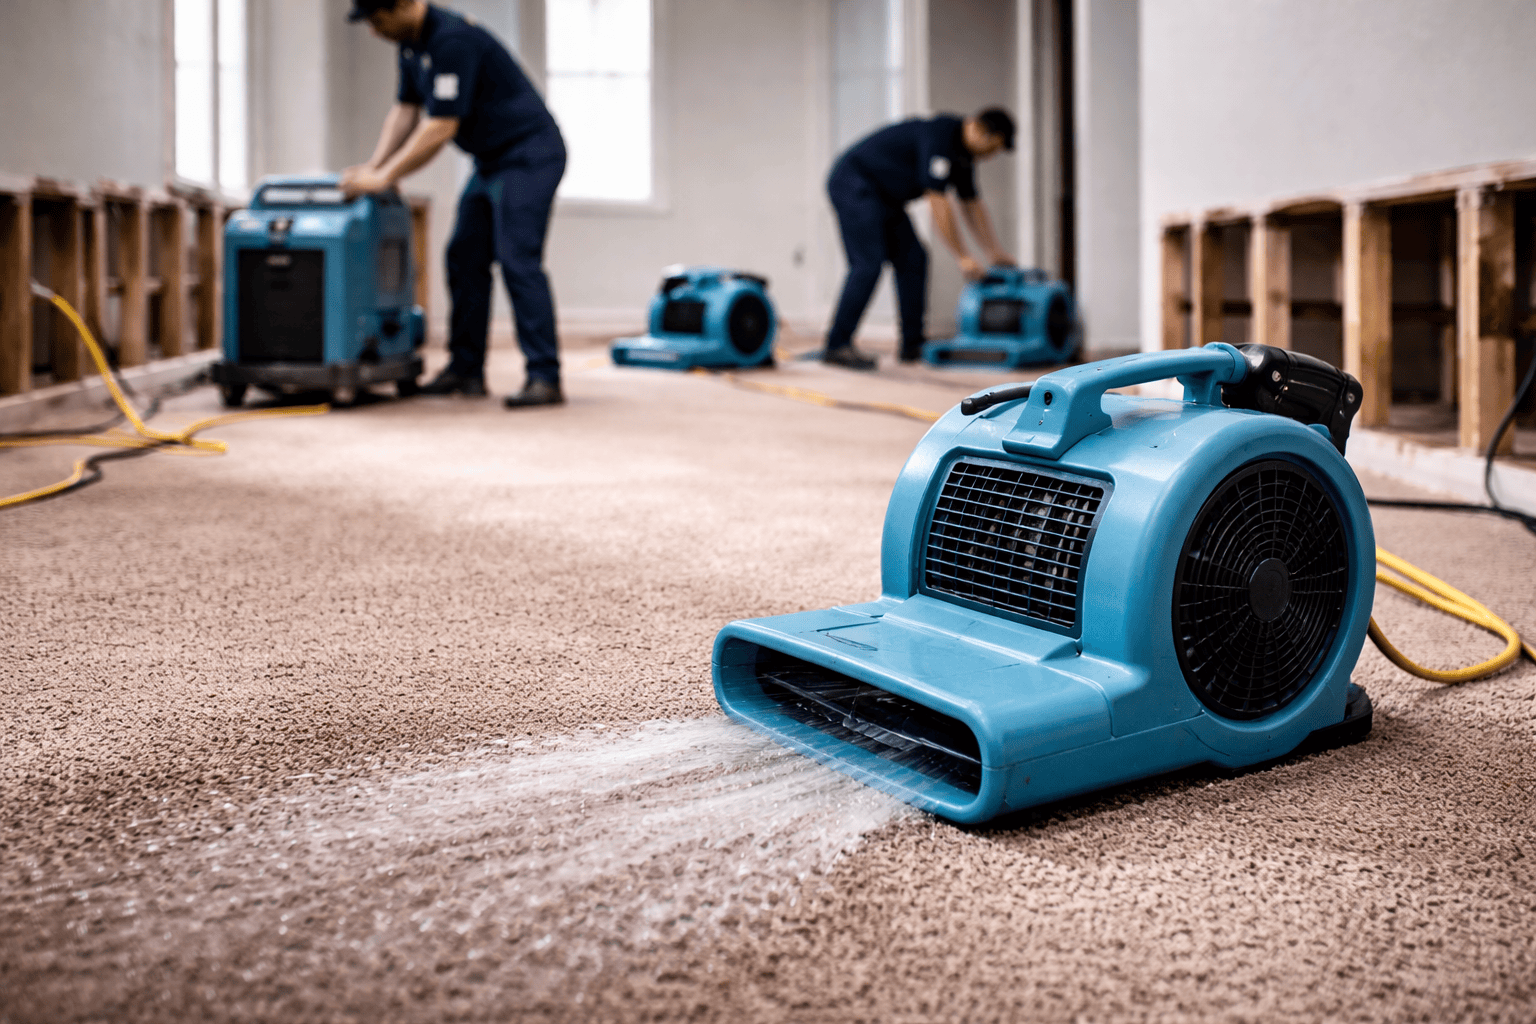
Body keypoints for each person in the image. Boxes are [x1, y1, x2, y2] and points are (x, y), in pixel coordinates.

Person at [340, 0, 567, 408]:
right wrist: (374, 166)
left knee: (517, 258)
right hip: (491, 160)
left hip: (530, 155)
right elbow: (406, 110)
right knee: (464, 256)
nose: (374, 31)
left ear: (406, 4)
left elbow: (441, 126)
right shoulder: (411, 44)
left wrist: (387, 177)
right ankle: (465, 370)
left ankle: (544, 376)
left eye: (378, 19)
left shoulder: (453, 40)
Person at [822, 108, 1017, 370]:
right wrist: (963, 257)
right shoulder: (941, 137)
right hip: (855, 183)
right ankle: (837, 345)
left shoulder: (964, 157)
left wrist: (994, 251)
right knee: (868, 263)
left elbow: (972, 204)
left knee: (913, 258)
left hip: (885, 198)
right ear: (980, 130)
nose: (990, 156)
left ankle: (912, 345)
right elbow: (938, 202)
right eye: (991, 148)